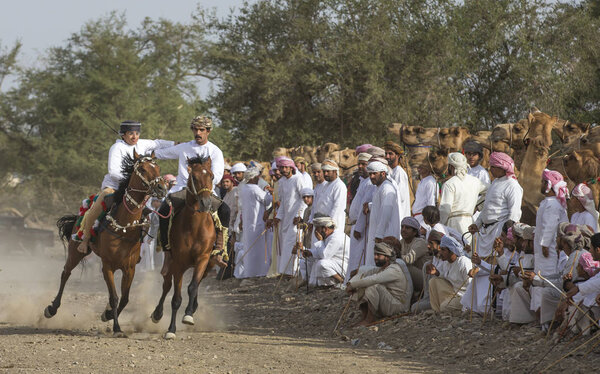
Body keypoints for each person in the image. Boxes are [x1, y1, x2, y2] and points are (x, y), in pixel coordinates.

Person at [76, 120, 175, 253]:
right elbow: (113, 172)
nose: (134, 137)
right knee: (99, 205)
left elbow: (157, 143)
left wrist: (175, 144)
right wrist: (130, 182)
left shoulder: (142, 143)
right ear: (123, 135)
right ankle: (85, 239)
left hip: (136, 189)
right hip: (114, 187)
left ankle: (137, 244)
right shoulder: (116, 148)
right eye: (131, 134)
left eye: (137, 133)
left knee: (146, 213)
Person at [154, 116, 228, 273]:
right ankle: (167, 253)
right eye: (195, 129)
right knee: (163, 210)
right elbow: (160, 154)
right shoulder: (184, 148)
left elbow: (218, 174)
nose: (198, 133)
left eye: (202, 130)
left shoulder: (215, 151)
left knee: (225, 210)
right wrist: (142, 150)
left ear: (208, 131)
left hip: (206, 190)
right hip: (182, 189)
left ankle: (219, 252)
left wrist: (204, 187)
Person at [529, 169, 569, 322]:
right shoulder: (549, 203)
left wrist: (545, 245)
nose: (541, 184)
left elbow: (550, 226)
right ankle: (541, 317)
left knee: (545, 281)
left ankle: (547, 318)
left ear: (549, 185)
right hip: (542, 250)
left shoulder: (552, 205)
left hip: (549, 251)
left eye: (543, 182)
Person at [347, 242, 410, 325]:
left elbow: (374, 279)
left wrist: (353, 285)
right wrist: (350, 284)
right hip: (388, 303)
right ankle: (365, 316)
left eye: (378, 255)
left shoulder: (394, 269)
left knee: (373, 286)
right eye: (375, 254)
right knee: (361, 284)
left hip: (398, 306)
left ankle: (370, 318)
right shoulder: (381, 269)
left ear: (387, 257)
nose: (375, 257)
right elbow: (364, 275)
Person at [439, 152, 487, 243]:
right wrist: (478, 206)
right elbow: (490, 191)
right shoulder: (475, 181)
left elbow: (445, 209)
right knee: (469, 252)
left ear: (451, 167)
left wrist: (440, 225)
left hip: (453, 223)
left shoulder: (449, 184)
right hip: (470, 222)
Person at [234, 168, 272, 278]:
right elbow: (267, 200)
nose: (258, 179)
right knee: (259, 249)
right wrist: (269, 192)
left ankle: (250, 272)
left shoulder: (244, 188)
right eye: (257, 177)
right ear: (253, 178)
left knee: (250, 250)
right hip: (257, 224)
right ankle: (260, 272)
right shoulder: (255, 188)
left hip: (248, 224)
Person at [364, 158, 402, 267]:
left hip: (385, 234)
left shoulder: (387, 188)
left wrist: (379, 234)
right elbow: (380, 206)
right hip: (378, 232)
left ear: (383, 173)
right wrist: (370, 206)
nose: (371, 177)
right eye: (370, 174)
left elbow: (386, 211)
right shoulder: (379, 187)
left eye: (374, 174)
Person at [274, 157, 306, 276]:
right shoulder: (282, 181)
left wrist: (300, 214)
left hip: (296, 218)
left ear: (291, 168)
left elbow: (304, 198)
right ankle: (286, 272)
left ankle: (293, 272)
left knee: (292, 243)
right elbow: (283, 202)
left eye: (285, 167)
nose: (283, 170)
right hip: (286, 218)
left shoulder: (298, 179)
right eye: (281, 167)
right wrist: (279, 216)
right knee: (285, 244)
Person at [347, 152, 376, 281]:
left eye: (363, 164)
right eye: (359, 164)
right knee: (353, 256)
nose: (360, 166)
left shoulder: (370, 183)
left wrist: (359, 227)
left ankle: (357, 282)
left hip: (362, 228)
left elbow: (365, 209)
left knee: (359, 256)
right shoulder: (362, 181)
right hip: (355, 225)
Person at [298, 215, 349, 287]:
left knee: (321, 264)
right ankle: (310, 282)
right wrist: (308, 252)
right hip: (333, 262)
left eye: (317, 229)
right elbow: (320, 252)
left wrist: (320, 241)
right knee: (303, 261)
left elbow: (324, 255)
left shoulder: (336, 237)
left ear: (325, 229)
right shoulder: (329, 236)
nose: (316, 232)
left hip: (342, 265)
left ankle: (342, 281)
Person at [426, 235, 472, 313]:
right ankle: (437, 311)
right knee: (433, 281)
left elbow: (471, 286)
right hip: (453, 292)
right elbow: (444, 275)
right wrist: (436, 272)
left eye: (443, 250)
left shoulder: (463, 262)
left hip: (464, 296)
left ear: (452, 250)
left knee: (444, 307)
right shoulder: (446, 262)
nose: (440, 253)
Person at [411, 230, 446, 313]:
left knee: (414, 308)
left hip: (444, 295)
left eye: (431, 243)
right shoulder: (433, 260)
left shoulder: (446, 260)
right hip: (430, 297)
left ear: (439, 245)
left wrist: (437, 273)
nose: (428, 246)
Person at [397, 217, 430, 296]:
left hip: (426, 279)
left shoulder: (420, 242)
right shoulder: (401, 242)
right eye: (402, 227)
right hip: (413, 278)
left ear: (415, 232)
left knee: (404, 266)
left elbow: (408, 260)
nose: (403, 230)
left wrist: (392, 257)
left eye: (407, 228)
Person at [312, 159, 347, 234]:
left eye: (328, 171)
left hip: (331, 227)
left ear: (335, 172)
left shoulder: (339, 185)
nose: (325, 174)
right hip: (321, 224)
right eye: (324, 172)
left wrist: (330, 225)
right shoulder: (326, 185)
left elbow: (337, 207)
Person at [384, 141, 411, 219]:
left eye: (390, 154)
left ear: (398, 155)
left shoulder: (399, 172)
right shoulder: (392, 172)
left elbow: (400, 197)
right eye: (386, 154)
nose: (387, 156)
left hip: (399, 217)